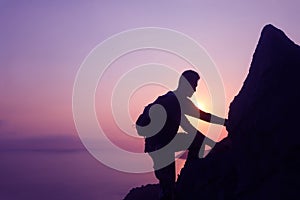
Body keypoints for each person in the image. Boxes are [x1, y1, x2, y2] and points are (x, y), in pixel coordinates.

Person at [137, 70, 227, 200]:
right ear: (187, 84)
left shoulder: (175, 99)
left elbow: (203, 116)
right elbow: (191, 129)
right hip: (161, 147)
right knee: (167, 187)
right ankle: (189, 175)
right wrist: (213, 144)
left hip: (160, 144)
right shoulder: (174, 102)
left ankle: (189, 173)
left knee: (167, 184)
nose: (195, 90)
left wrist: (225, 122)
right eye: (194, 85)